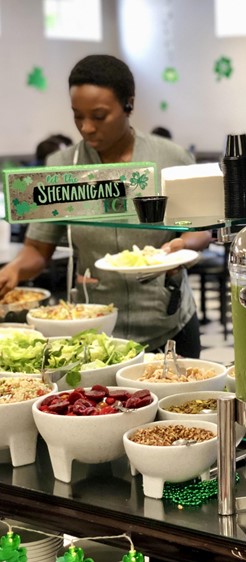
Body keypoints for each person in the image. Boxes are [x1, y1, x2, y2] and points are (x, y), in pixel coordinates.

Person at [0, 55, 210, 357]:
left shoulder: (170, 158)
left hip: (167, 320)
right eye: (77, 116)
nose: (86, 128)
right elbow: (38, 248)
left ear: (129, 105)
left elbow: (201, 230)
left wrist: (183, 244)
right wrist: (14, 269)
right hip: (94, 329)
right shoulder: (62, 167)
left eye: (99, 116)